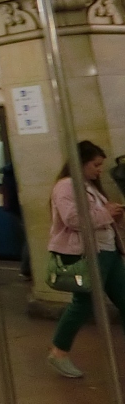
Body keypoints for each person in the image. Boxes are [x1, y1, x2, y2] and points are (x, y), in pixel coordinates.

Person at [48, 140, 125, 378]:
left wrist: (113, 214)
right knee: (83, 303)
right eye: (95, 165)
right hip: (87, 253)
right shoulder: (66, 186)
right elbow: (72, 219)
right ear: (80, 163)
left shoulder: (87, 186)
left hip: (108, 251)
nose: (99, 170)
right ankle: (59, 352)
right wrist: (106, 212)